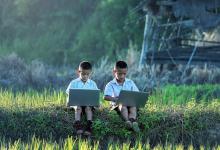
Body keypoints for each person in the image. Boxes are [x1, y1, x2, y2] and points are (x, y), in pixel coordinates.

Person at [104, 60, 140, 132]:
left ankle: (131, 121)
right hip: (117, 104)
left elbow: (137, 93)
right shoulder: (110, 84)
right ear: (114, 72)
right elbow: (105, 97)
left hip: (129, 102)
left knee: (133, 107)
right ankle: (127, 122)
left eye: (124, 74)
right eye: (120, 74)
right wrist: (115, 99)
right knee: (123, 106)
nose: (122, 76)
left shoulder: (130, 82)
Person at [66, 61, 98, 135]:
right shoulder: (73, 83)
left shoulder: (92, 84)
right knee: (78, 107)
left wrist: (97, 103)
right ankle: (78, 124)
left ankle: (89, 124)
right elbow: (69, 94)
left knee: (88, 108)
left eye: (87, 74)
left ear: (90, 73)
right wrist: (68, 102)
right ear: (78, 72)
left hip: (88, 104)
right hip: (76, 103)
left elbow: (95, 95)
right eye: (83, 74)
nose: (85, 76)